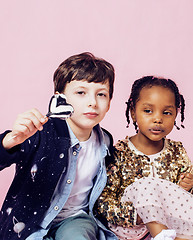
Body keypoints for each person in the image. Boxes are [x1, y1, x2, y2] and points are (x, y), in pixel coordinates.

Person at [0, 52, 118, 240]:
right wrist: (11, 140)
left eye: (101, 94)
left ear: (110, 102)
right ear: (59, 99)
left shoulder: (105, 141)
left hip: (75, 219)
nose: (92, 102)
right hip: (29, 222)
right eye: (81, 92)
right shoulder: (38, 132)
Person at [96, 76, 193, 240]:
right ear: (133, 113)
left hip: (170, 226)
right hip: (130, 229)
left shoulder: (177, 151)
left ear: (176, 114)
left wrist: (187, 188)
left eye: (167, 113)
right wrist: (140, 215)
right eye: (148, 111)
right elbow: (103, 203)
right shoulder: (120, 153)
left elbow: (183, 203)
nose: (157, 119)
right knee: (145, 184)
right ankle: (162, 235)